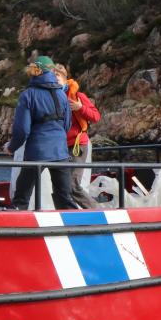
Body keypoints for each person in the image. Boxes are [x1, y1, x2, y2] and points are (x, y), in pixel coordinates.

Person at [3, 56, 77, 210]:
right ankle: (74, 229)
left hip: (37, 153)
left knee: (21, 197)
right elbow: (67, 124)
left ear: (36, 71)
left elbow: (22, 130)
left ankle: (16, 229)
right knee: (65, 198)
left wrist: (11, 147)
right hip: (60, 152)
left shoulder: (28, 95)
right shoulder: (62, 95)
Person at [53, 64, 101, 210]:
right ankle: (64, 215)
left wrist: (81, 108)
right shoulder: (51, 98)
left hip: (77, 146)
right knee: (59, 185)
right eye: (52, 76)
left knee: (73, 185)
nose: (54, 79)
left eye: (57, 76)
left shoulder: (78, 96)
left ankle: (98, 212)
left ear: (64, 78)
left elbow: (96, 117)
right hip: (59, 148)